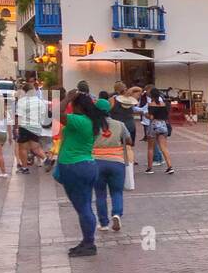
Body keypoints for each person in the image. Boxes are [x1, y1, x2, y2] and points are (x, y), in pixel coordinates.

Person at [56, 91, 104, 257]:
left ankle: (89, 243)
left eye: (72, 104)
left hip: (74, 166)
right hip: (86, 165)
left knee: (83, 208)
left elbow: (55, 113)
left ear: (78, 106)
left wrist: (67, 98)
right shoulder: (90, 122)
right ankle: (86, 241)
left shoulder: (80, 121)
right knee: (84, 206)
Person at [92, 96, 129, 231]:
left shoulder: (92, 124)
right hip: (117, 162)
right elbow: (128, 140)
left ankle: (103, 223)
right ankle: (117, 214)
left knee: (100, 194)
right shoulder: (119, 124)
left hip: (96, 162)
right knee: (117, 192)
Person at [14, 83, 49, 172]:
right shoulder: (40, 102)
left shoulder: (22, 101)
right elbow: (43, 115)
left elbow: (19, 116)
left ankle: (25, 168)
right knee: (35, 147)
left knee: (23, 148)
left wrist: (17, 128)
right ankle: (46, 159)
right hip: (36, 127)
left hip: (25, 126)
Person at [144, 87, 174, 174]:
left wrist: (146, 115)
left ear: (151, 96)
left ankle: (150, 168)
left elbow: (151, 117)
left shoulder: (151, 104)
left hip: (154, 125)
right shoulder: (163, 104)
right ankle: (170, 166)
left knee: (150, 148)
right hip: (163, 125)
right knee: (164, 147)